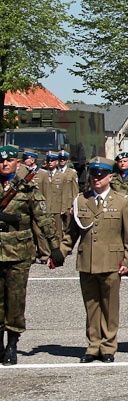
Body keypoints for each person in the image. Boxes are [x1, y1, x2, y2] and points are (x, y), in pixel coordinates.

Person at [62, 157, 128, 364]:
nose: (97, 178)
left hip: (112, 262)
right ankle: (93, 345)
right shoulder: (80, 201)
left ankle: (108, 346)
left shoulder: (122, 201)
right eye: (94, 174)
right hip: (87, 260)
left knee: (110, 306)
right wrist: (60, 252)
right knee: (91, 306)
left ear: (110, 177)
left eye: (101, 175)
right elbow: (71, 233)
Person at [0, 146, 61, 365]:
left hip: (18, 252)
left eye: (9, 161)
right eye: (1, 161)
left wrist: (55, 247)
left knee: (15, 300)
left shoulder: (26, 188)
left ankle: (12, 344)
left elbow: (43, 217)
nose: (5, 164)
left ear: (17, 163)